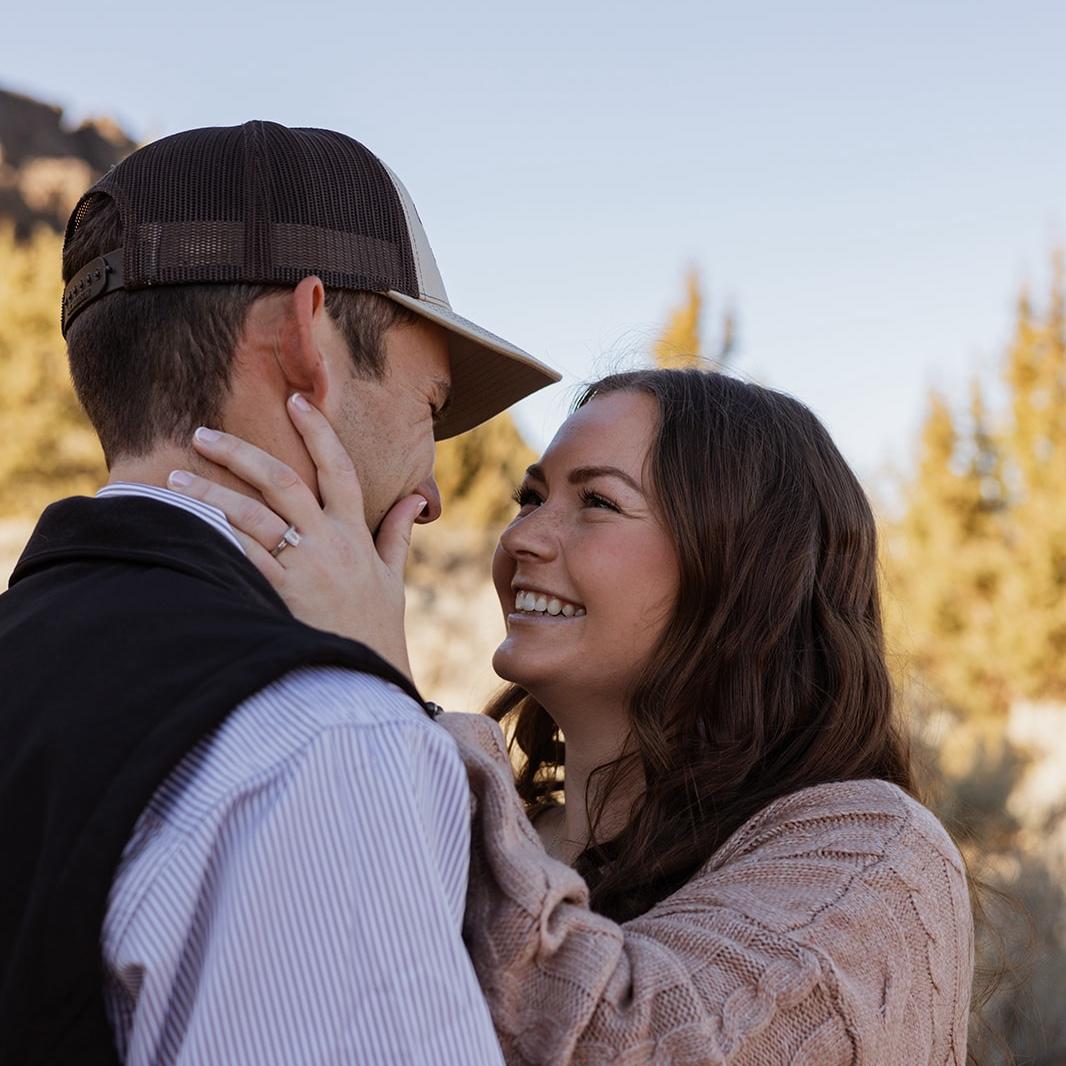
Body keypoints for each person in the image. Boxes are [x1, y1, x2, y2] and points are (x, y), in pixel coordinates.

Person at [172, 367, 976, 1064]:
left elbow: (633, 1044)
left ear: (747, 569)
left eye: (596, 501)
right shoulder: (499, 833)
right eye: (530, 497)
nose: (524, 537)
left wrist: (378, 698)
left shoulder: (877, 858)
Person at [0, 121, 559, 1066]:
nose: (429, 497)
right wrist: (376, 703)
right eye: (429, 409)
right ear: (308, 344)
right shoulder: (326, 739)